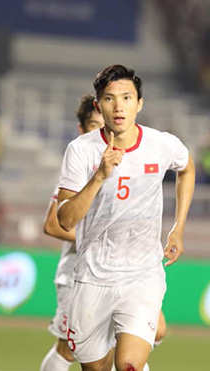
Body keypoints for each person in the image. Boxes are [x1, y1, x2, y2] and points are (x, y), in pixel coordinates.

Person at [56, 65, 195, 371]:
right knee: (94, 367)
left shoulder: (161, 144)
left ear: (139, 103)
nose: (119, 106)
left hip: (142, 275)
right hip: (92, 277)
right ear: (98, 105)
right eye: (109, 99)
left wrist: (179, 227)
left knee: (128, 365)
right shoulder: (81, 151)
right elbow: (65, 220)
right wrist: (99, 177)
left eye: (127, 98)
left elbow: (186, 168)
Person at [40, 94, 168, 371]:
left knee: (144, 336)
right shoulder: (78, 168)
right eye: (94, 125)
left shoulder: (128, 167)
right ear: (82, 130)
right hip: (80, 274)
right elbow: (53, 224)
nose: (104, 132)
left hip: (125, 273)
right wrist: (101, 237)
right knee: (68, 348)